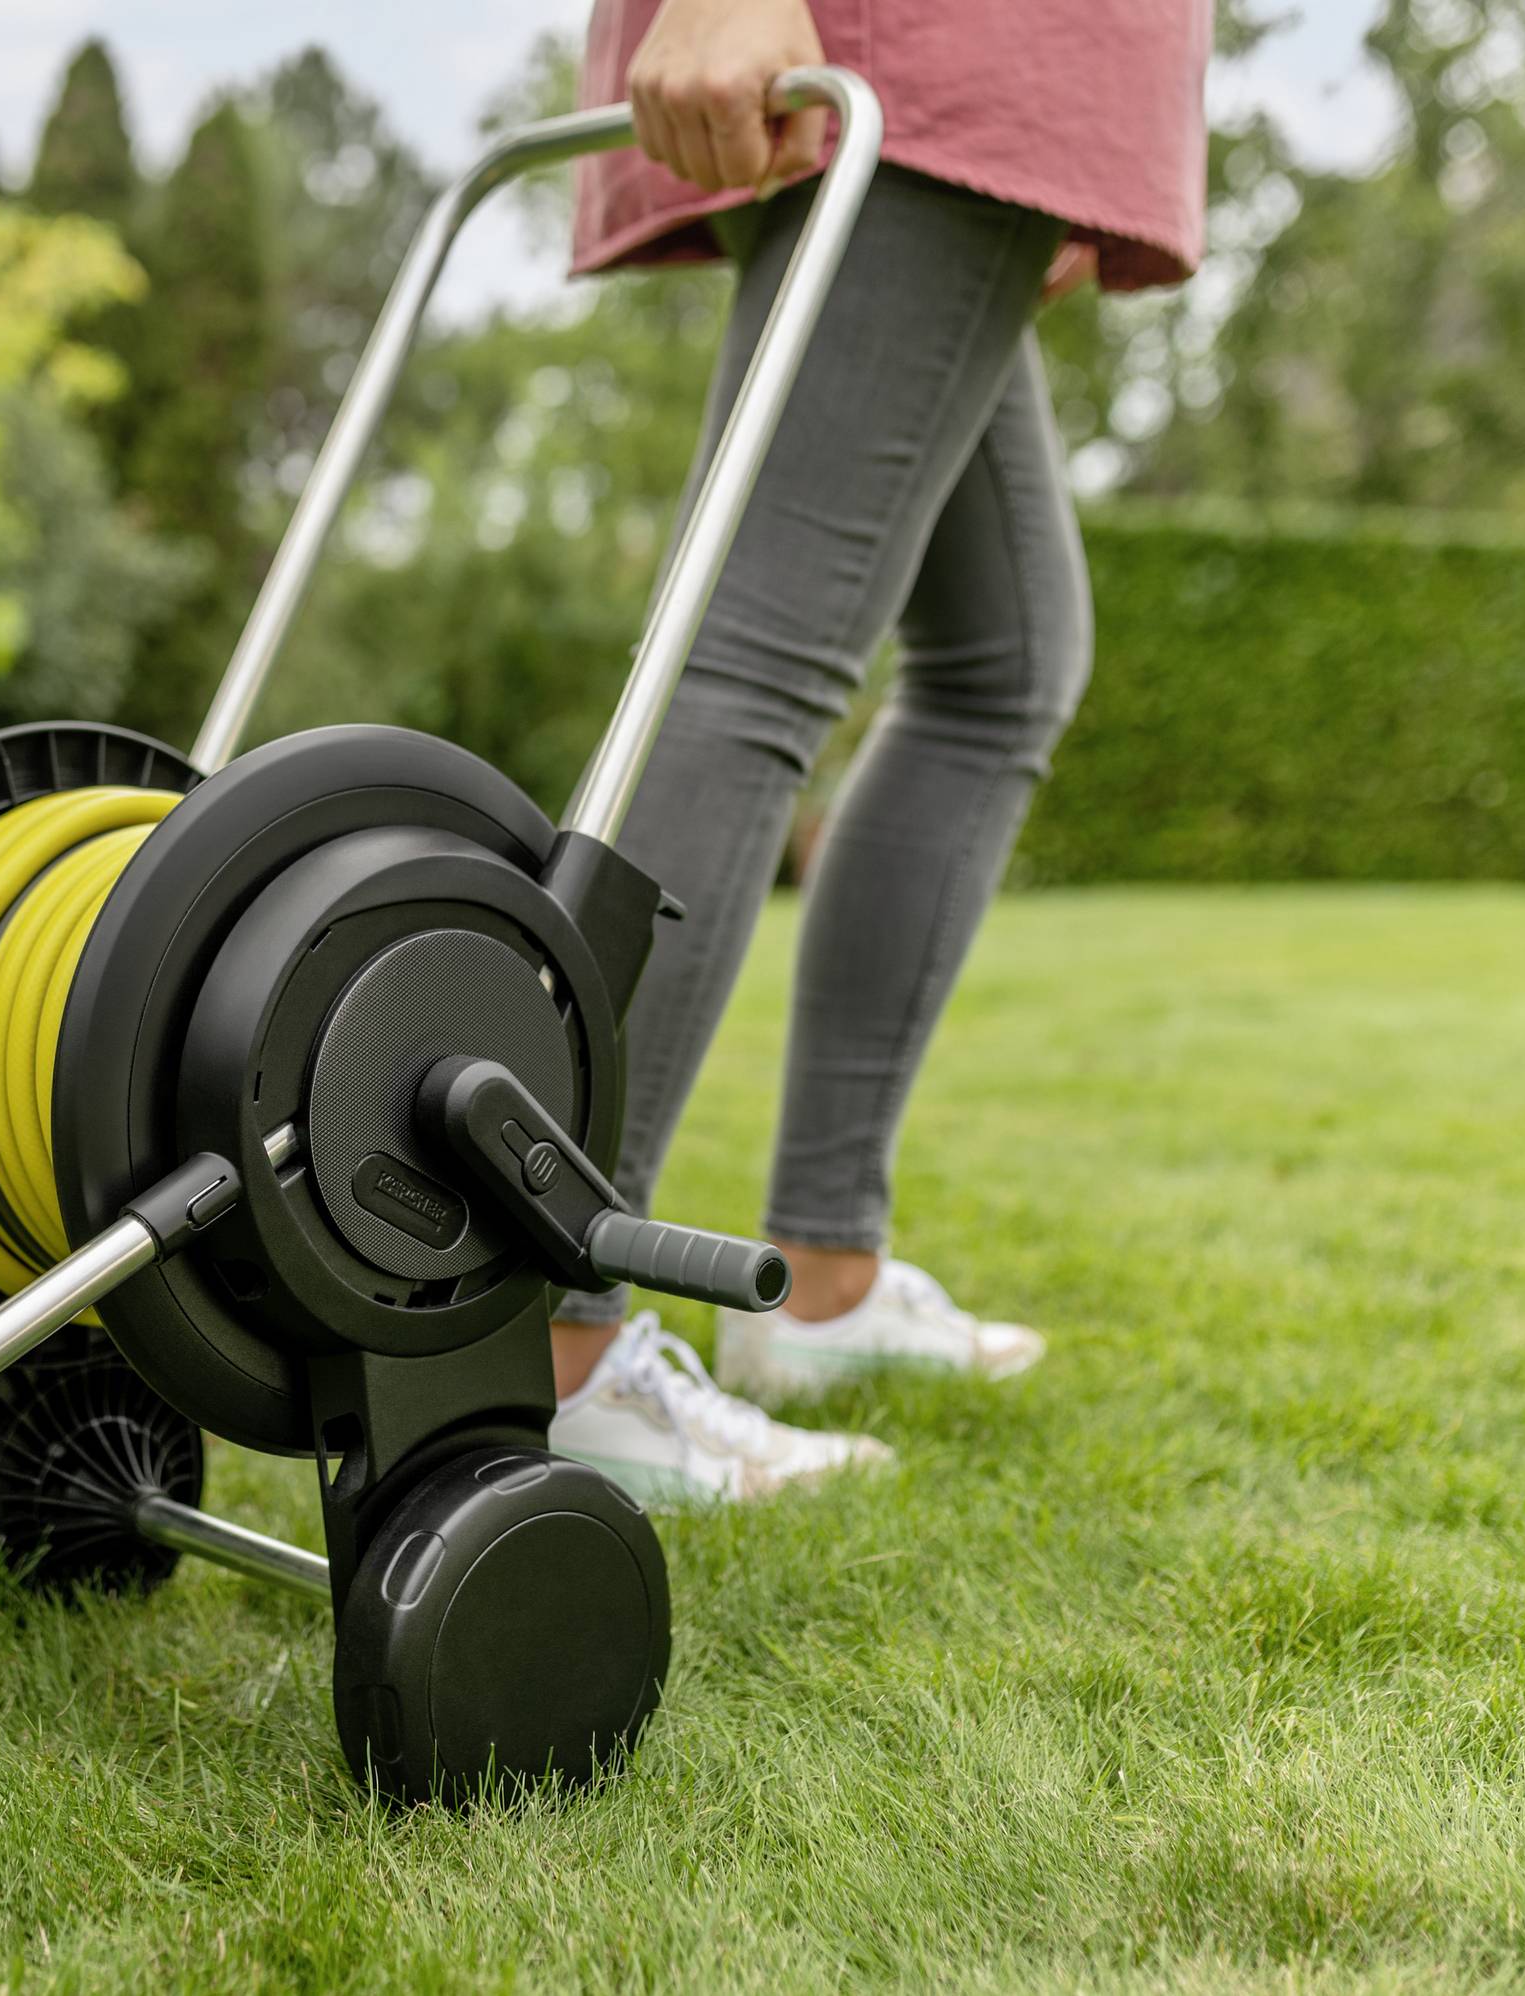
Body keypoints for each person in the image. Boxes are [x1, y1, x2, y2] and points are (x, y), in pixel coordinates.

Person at [542, 0, 1208, 1505]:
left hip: (1013, 82)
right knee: (758, 652)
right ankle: (550, 1353)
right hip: (931, 53)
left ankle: (826, 1292)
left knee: (1006, 663)